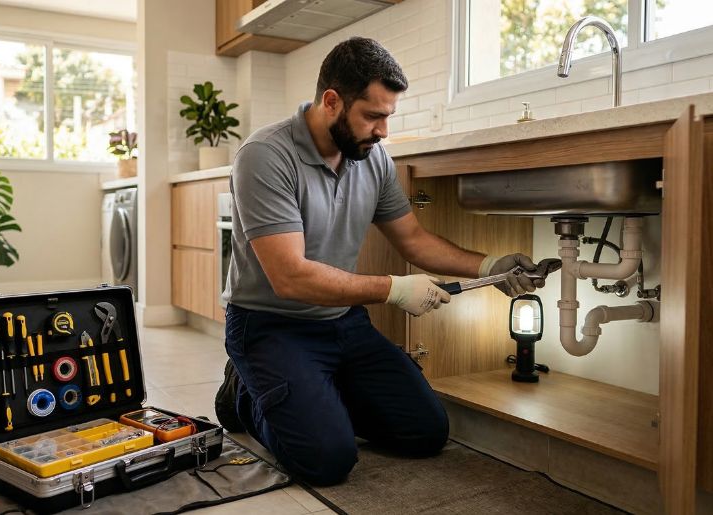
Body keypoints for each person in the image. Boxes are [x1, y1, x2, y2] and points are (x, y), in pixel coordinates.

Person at [214, 36, 544, 486]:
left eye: (388, 116)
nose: (384, 131)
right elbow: (290, 278)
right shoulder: (265, 156)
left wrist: (491, 266)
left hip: (343, 323)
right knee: (327, 460)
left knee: (425, 432)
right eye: (373, 116)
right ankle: (245, 393)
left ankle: (311, 393)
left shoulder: (372, 159)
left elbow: (413, 239)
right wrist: (394, 289)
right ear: (331, 101)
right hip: (273, 324)